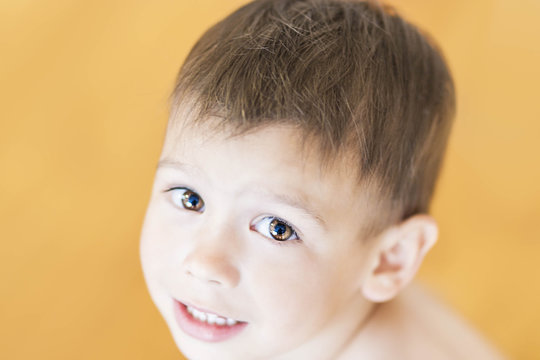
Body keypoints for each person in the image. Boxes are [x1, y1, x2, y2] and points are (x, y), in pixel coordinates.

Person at [139, 0, 505, 358]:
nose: (205, 263)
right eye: (190, 198)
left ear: (391, 259)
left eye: (277, 228)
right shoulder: (328, 308)